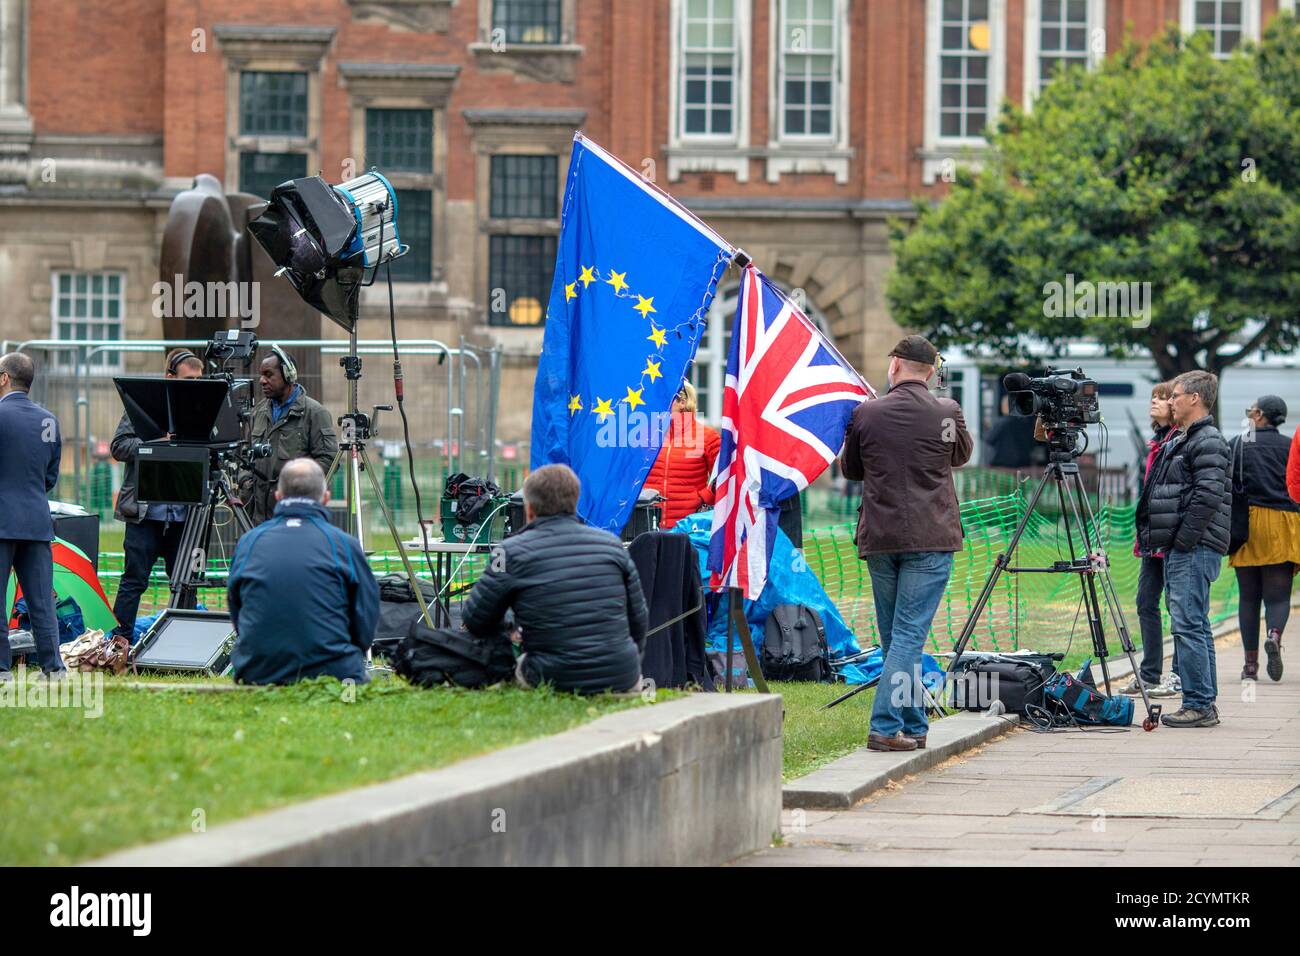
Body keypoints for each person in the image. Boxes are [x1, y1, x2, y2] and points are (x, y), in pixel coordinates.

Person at [840, 335, 973, 752]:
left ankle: (914, 725)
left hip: (880, 537)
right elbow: (960, 456)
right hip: (931, 536)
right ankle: (884, 726)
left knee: (897, 636)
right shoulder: (946, 410)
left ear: (895, 366)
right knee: (908, 636)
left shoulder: (866, 412)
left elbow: (850, 469)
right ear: (932, 372)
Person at [461, 463, 648, 694]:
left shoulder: (507, 551)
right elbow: (639, 620)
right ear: (575, 502)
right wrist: (627, 665)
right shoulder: (613, 546)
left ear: (529, 509)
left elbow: (475, 618)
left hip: (549, 676)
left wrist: (511, 627)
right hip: (622, 677)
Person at [227, 458, 378, 685]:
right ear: (325, 497)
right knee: (353, 693)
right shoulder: (344, 544)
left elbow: (237, 610)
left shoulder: (249, 542)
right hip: (335, 672)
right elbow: (365, 618)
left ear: (278, 496)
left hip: (258, 673)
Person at [1145, 370, 1232, 728]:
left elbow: (1207, 495)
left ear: (1195, 399)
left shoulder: (1206, 439)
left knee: (1187, 625)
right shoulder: (1184, 437)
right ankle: (1203, 702)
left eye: (1176, 395)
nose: (1170, 401)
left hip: (1193, 548)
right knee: (1195, 623)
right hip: (1187, 546)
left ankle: (1198, 704)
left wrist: (1183, 539)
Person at [105, 348, 204, 660]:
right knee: (133, 581)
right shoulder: (142, 407)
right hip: (145, 514)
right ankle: (118, 647)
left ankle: (185, 648)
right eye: (189, 379)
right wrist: (157, 444)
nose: (194, 385)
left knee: (185, 584)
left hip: (183, 516)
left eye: (199, 380)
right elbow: (119, 446)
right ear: (170, 377)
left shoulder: (200, 409)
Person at [0, 353, 65, 681]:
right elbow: (49, 477)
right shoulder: (49, 420)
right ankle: (54, 668)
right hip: (37, 522)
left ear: (4, 378)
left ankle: (2, 671)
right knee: (41, 601)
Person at [1228, 395, 1299, 681]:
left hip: (1248, 523)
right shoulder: (1289, 445)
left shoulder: (1239, 443)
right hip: (1285, 522)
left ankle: (1250, 666)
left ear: (1258, 415)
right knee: (1278, 596)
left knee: (1248, 598)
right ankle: (1274, 634)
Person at [240, 347, 338, 525]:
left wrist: (297, 486)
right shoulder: (258, 412)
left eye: (269, 375)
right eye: (261, 375)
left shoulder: (315, 413)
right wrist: (245, 481)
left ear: (288, 375)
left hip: (296, 514)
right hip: (257, 516)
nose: (262, 381)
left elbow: (329, 461)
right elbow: (245, 454)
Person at [1126, 381, 1180, 698]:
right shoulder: (1156, 441)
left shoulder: (1177, 441)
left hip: (1169, 536)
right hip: (1150, 537)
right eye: (1153, 397)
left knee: (1178, 608)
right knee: (1146, 603)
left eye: (1163, 398)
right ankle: (1149, 673)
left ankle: (1178, 675)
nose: (1155, 402)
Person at [641, 381, 720, 528]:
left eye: (665, 397)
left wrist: (703, 499)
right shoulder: (645, 434)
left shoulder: (708, 436)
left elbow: (723, 476)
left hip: (687, 526)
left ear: (682, 402)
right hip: (645, 524)